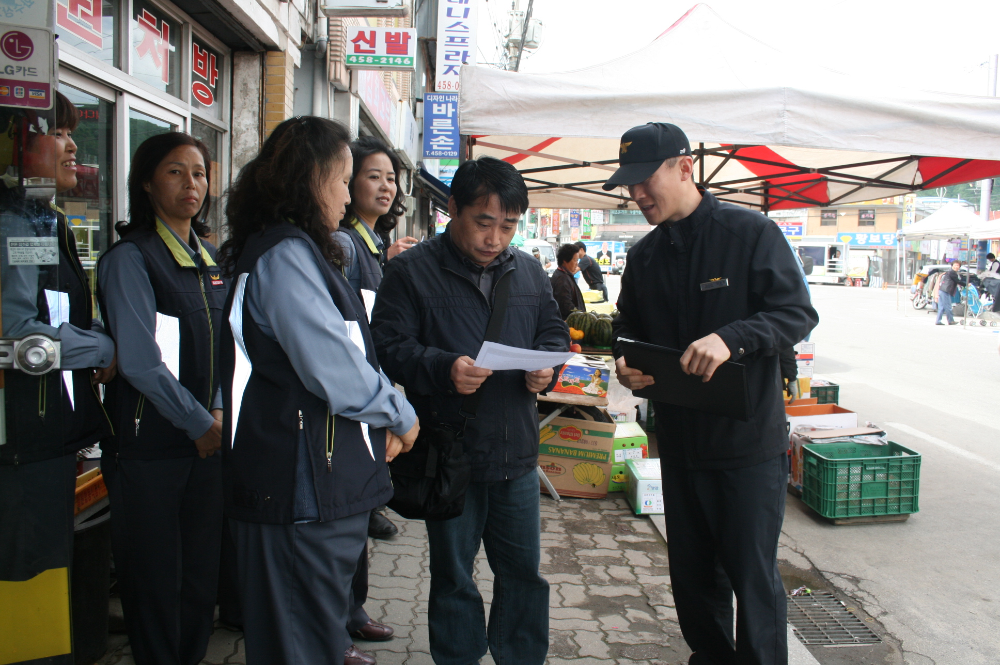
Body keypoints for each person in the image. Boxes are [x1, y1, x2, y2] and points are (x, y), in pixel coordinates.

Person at [606, 122, 818, 665]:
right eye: (628, 185)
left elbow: (795, 313)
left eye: (644, 180)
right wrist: (626, 366)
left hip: (746, 448)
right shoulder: (644, 256)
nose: (636, 195)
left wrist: (732, 338)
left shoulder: (750, 234)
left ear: (685, 167)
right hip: (679, 446)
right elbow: (625, 330)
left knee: (753, 582)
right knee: (694, 583)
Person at [217, 116, 419, 665]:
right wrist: (397, 412)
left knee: (313, 631)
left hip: (318, 469)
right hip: (300, 476)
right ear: (309, 180)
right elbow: (331, 362)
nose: (346, 194)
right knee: (297, 636)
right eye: (342, 179)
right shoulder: (285, 254)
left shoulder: (301, 248)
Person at [370, 156, 568, 665]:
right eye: (483, 222)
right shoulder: (410, 272)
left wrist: (547, 369)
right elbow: (387, 345)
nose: (495, 237)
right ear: (451, 209)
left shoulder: (527, 271)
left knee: (524, 570)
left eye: (507, 225)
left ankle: (522, 655)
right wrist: (442, 368)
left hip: (516, 451)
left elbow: (552, 331)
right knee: (454, 573)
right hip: (449, 451)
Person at [97, 132, 227, 665]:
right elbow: (140, 360)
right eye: (175, 172)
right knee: (154, 579)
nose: (190, 184)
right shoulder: (132, 258)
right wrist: (200, 422)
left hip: (208, 442)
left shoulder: (211, 257)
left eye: (198, 173)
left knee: (199, 577)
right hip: (149, 447)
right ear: (148, 183)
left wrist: (217, 410)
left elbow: (227, 344)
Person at [0, 94, 116, 660]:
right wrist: (102, 347)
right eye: (58, 133)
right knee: (29, 573)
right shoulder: (13, 223)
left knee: (41, 572)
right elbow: (18, 333)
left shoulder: (39, 219)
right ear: (13, 144)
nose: (73, 146)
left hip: (42, 433)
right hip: (22, 439)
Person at [332, 134, 415, 663]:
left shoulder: (368, 245)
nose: (385, 186)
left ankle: (352, 612)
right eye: (371, 176)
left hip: (370, 394)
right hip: (350, 401)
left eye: (391, 178)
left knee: (357, 515)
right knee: (342, 524)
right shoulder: (341, 245)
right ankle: (336, 627)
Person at [551, 242, 586, 318]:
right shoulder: (562, 279)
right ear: (565, 260)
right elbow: (566, 306)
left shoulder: (563, 274)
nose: (577, 264)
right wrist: (581, 317)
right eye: (575, 260)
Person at [935, 260, 963, 326]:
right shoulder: (952, 272)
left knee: (941, 307)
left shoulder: (949, 272)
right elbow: (957, 281)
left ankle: (938, 321)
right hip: (945, 291)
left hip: (942, 290)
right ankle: (951, 321)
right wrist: (966, 284)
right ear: (952, 265)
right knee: (948, 307)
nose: (957, 267)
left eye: (958, 265)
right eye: (955, 265)